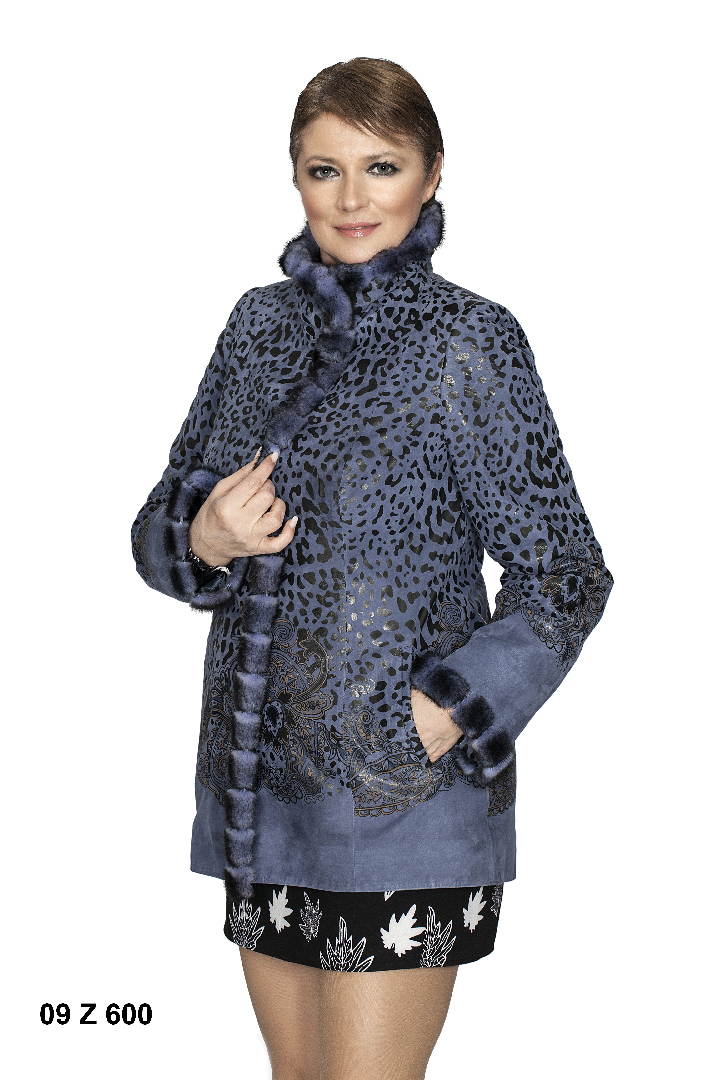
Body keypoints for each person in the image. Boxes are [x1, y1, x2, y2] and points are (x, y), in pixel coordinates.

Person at [132, 57, 613, 1080]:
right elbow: (160, 525)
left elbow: (567, 575)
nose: (351, 198)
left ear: (432, 173)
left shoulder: (470, 341)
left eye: (381, 166)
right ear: (295, 178)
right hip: (261, 804)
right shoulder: (257, 326)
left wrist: (444, 713)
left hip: (403, 801)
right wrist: (204, 537)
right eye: (324, 169)